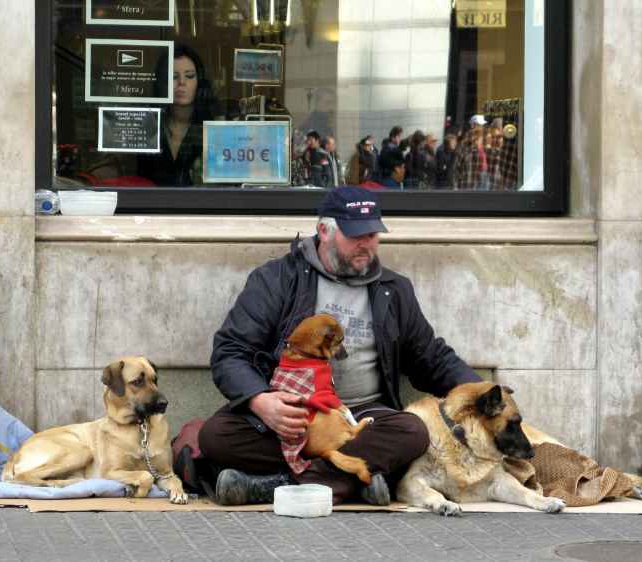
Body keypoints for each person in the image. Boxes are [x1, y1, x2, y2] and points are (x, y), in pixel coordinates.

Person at [198, 186, 481, 505]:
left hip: (359, 418)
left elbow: (431, 358)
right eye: (355, 235)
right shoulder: (277, 279)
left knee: (413, 432)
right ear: (324, 231)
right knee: (215, 436)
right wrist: (260, 401)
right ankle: (349, 482)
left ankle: (275, 486)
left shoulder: (394, 289)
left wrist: (483, 393)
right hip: (291, 414)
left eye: (372, 234)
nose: (366, 244)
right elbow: (230, 351)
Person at [137, 45, 216, 186]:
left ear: (200, 82)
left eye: (190, 76)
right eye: (173, 76)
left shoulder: (213, 129)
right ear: (162, 82)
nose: (182, 83)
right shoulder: (148, 125)